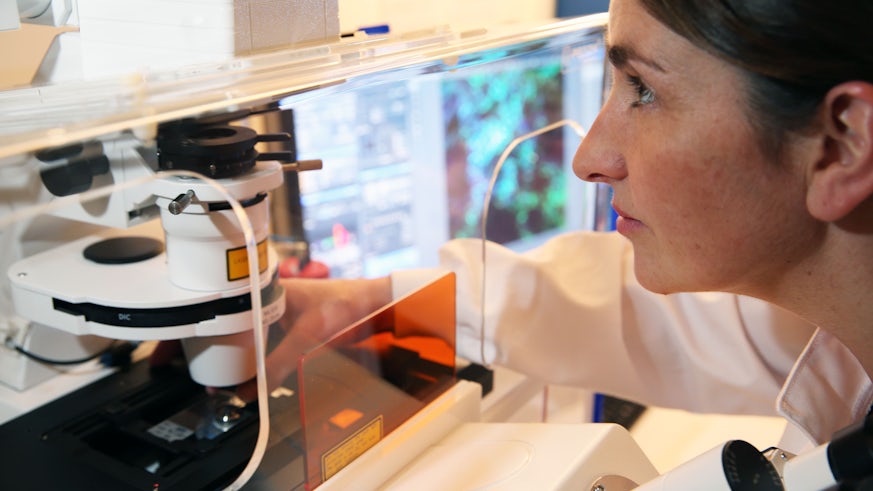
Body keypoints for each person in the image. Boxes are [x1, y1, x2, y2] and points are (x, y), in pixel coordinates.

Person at [243, 0, 873, 457]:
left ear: (840, 144)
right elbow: (655, 321)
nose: (587, 159)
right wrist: (375, 304)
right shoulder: (830, 326)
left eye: (643, 90)